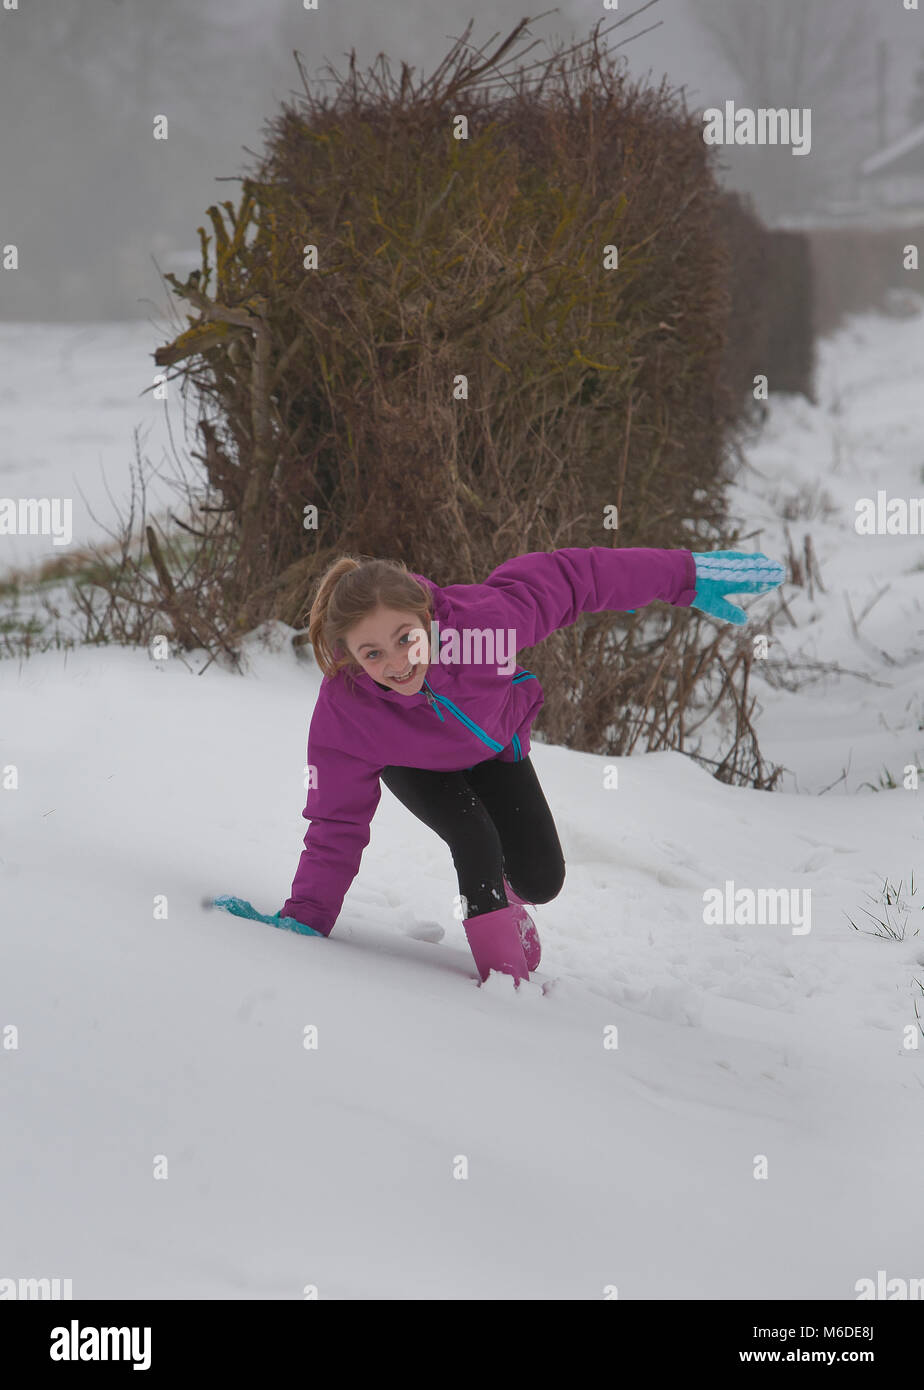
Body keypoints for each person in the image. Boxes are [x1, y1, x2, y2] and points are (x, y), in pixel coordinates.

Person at [278, 546, 784, 985]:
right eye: (372, 652)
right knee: (474, 838)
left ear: (427, 615)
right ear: (349, 654)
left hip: (494, 751)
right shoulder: (346, 711)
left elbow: (576, 577)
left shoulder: (485, 625)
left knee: (543, 878)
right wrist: (305, 920)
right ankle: (506, 990)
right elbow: (335, 823)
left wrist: (681, 575)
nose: (396, 662)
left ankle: (509, 900)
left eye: (406, 638)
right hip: (413, 766)